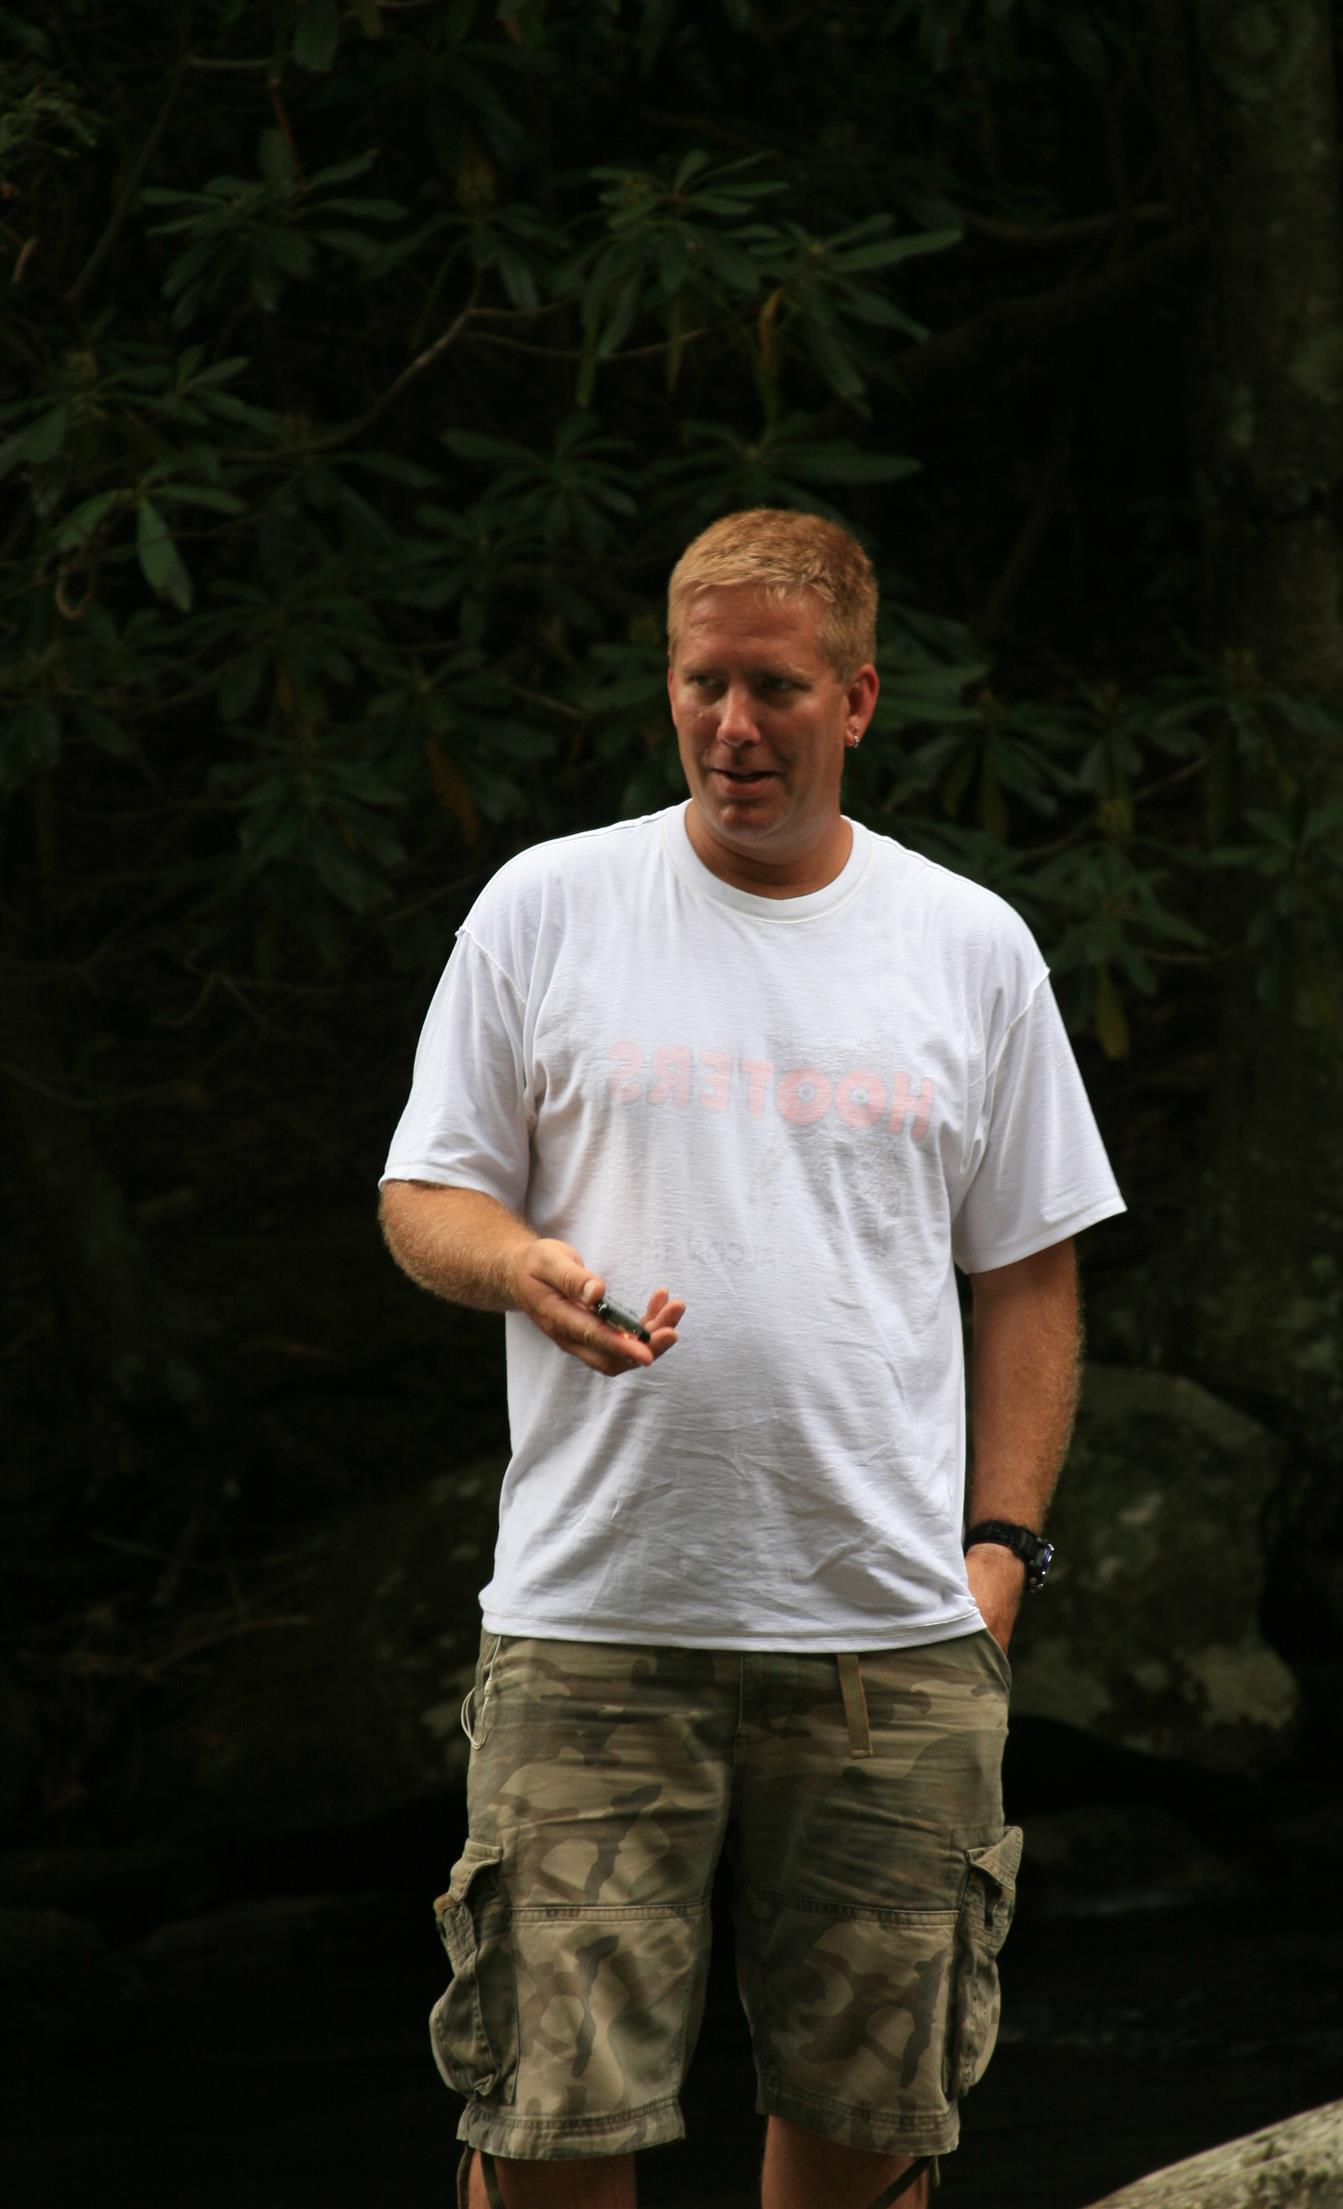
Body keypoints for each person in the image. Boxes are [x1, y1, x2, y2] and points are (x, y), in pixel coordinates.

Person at [379, 508, 1124, 2209]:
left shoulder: (967, 944)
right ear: (667, 683)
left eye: (776, 688)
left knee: (866, 2143)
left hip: (887, 1643)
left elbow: (1029, 1270)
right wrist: (522, 1266)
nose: (733, 727)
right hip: (590, 1623)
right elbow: (424, 1196)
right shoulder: (547, 909)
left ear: (855, 698)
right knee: (545, 2137)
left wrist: (1001, 1553)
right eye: (702, 683)